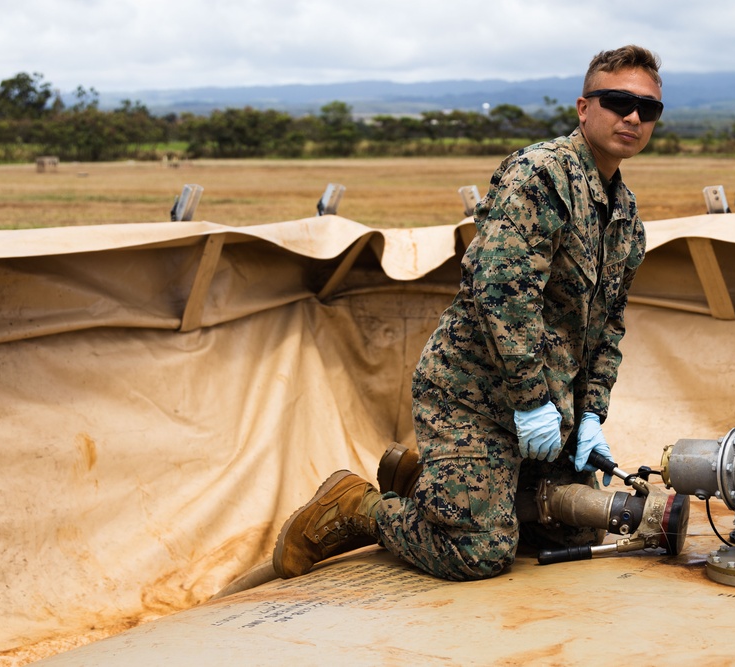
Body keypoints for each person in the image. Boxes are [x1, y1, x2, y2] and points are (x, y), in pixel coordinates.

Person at [274, 45, 663, 582]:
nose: (634, 117)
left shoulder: (625, 217)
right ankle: (359, 507)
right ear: (583, 107)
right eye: (618, 101)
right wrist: (530, 402)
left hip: (549, 412)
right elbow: (501, 291)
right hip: (473, 398)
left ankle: (433, 489)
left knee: (575, 526)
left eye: (649, 108)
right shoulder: (541, 177)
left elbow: (609, 326)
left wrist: (591, 412)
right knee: (480, 554)